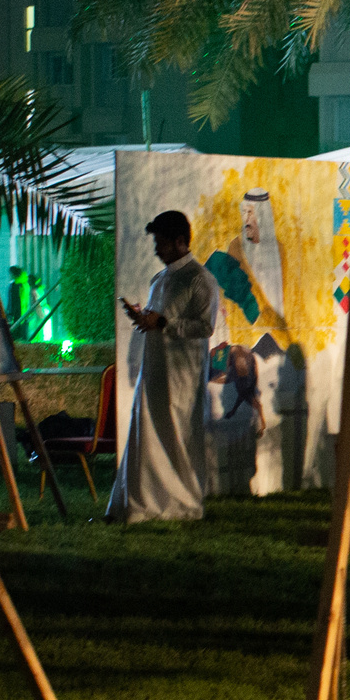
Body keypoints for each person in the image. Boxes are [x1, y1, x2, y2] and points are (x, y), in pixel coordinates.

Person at [107, 209, 219, 523]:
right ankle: (142, 503)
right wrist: (145, 318)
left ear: (180, 242)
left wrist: (165, 323)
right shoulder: (161, 279)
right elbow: (160, 320)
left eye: (161, 242)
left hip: (182, 375)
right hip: (154, 369)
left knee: (177, 438)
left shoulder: (199, 279)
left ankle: (182, 503)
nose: (157, 249)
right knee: (148, 435)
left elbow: (205, 327)